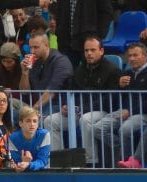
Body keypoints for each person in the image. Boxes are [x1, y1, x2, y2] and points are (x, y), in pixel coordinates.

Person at [43, 35, 120, 163]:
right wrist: (66, 106)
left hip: (103, 111)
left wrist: (80, 109)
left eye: (93, 50)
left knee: (85, 120)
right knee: (50, 121)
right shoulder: (80, 69)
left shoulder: (112, 70)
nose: (89, 53)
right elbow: (71, 91)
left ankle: (89, 161)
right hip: (78, 110)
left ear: (101, 51)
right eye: (86, 50)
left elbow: (109, 100)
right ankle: (58, 161)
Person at [102, 42, 147, 168]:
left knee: (125, 129)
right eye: (129, 56)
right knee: (98, 127)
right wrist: (119, 87)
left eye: (135, 55)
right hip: (123, 112)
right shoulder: (126, 74)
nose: (131, 59)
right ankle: (120, 151)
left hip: (143, 114)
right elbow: (115, 99)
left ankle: (129, 162)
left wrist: (130, 111)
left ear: (145, 56)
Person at [18, 33, 73, 114]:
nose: (32, 51)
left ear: (46, 45)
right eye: (30, 47)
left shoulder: (61, 61)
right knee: (11, 105)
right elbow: (24, 92)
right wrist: (24, 73)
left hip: (59, 106)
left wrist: (33, 110)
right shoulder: (35, 61)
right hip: (39, 105)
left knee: (30, 118)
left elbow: (51, 92)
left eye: (36, 47)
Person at [53, 0, 112, 67]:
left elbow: (106, 12)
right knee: (66, 74)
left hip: (89, 42)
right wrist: (59, 30)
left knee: (92, 73)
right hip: (66, 43)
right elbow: (59, 12)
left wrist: (98, 36)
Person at [8, 105, 50, 171]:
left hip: (42, 173)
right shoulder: (12, 138)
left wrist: (29, 164)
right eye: (28, 121)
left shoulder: (44, 135)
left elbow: (43, 161)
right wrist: (24, 163)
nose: (32, 124)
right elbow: (16, 162)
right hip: (21, 174)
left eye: (35, 121)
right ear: (20, 123)